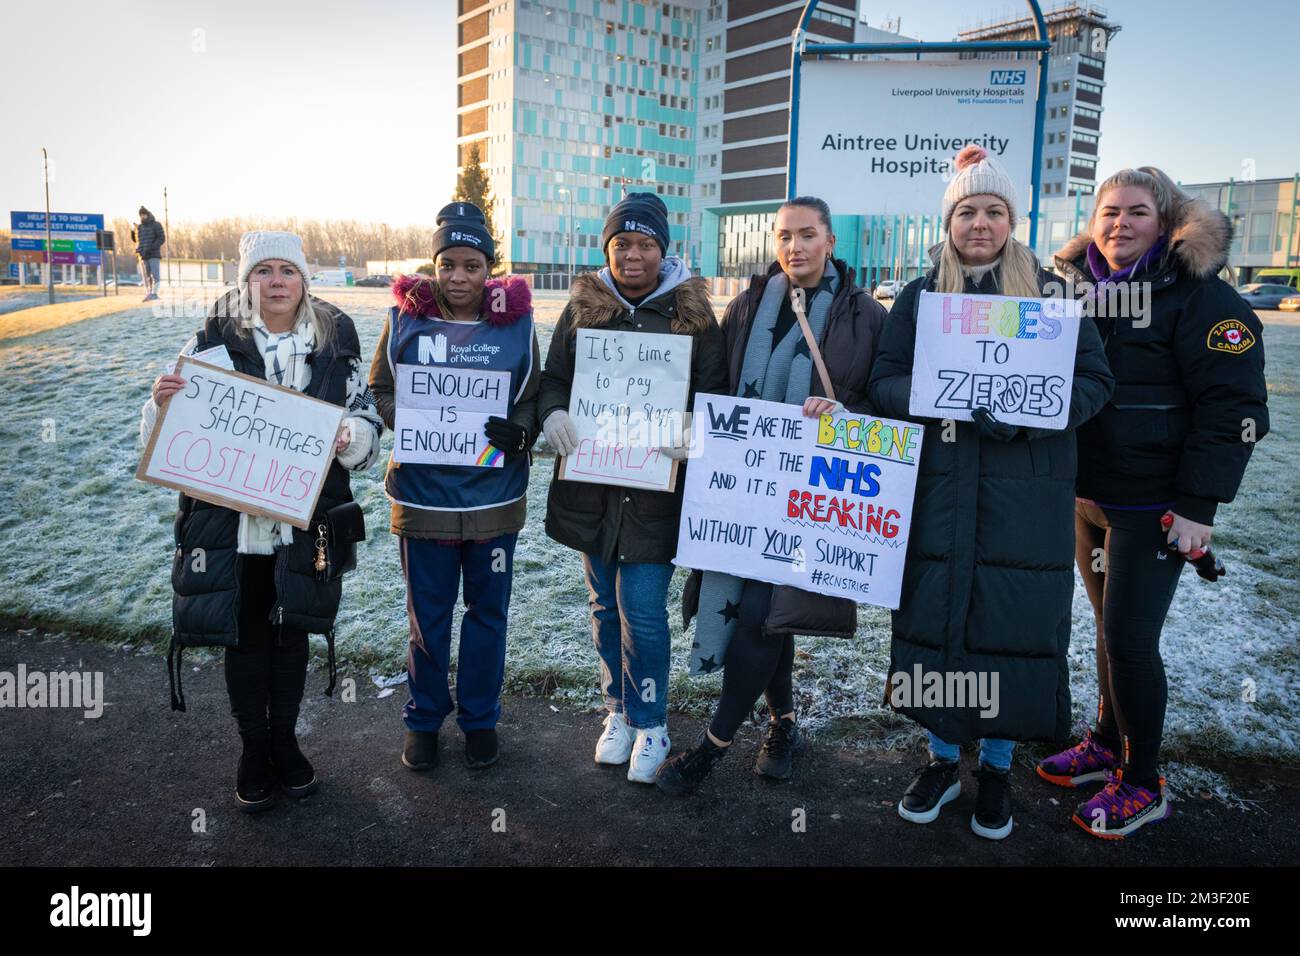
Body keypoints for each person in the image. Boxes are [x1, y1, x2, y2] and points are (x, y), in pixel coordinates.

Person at [867, 146, 1114, 840]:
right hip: (940, 493)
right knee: (940, 621)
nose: (980, 222)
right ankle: (943, 759)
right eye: (968, 210)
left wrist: (1028, 416)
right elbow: (883, 381)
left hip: (1025, 497)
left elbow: (1095, 383)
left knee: (1011, 625)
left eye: (994, 210)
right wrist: (937, 398)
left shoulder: (1055, 293)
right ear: (950, 220)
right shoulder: (921, 296)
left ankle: (998, 768)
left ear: (1012, 219)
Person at [1039, 167, 1269, 839]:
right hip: (1088, 497)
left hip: (1154, 506)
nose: (1119, 223)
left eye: (1136, 212)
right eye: (1108, 212)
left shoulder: (1203, 299)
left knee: (1130, 640)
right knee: (1109, 632)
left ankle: (1143, 782)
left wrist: (1199, 504)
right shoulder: (1075, 289)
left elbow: (1235, 408)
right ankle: (1107, 744)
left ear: (1164, 223)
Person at [141, 230, 383, 812]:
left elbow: (367, 417)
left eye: (288, 270)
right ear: (246, 280)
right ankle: (254, 748)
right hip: (234, 525)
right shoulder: (210, 341)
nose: (276, 281)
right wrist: (160, 403)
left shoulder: (336, 343)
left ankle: (286, 742)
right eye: (263, 270)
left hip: (305, 520)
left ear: (304, 279)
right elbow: (161, 435)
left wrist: (352, 435)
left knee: (291, 630)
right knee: (245, 635)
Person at [655, 196, 889, 796]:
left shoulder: (864, 315)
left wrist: (845, 413)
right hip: (744, 490)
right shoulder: (748, 305)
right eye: (785, 236)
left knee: (761, 617)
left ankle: (711, 749)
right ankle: (784, 723)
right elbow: (716, 383)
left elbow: (887, 401)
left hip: (811, 499)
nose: (795, 247)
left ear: (831, 241)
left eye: (808, 235)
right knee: (761, 617)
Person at [539, 191, 727, 784]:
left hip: (655, 494)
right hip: (593, 489)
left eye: (645, 244)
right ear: (608, 248)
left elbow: (716, 394)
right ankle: (616, 710)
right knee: (601, 606)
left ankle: (652, 721)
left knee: (641, 610)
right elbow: (554, 380)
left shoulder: (693, 316)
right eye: (622, 244)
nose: (633, 255)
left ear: (663, 250)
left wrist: (697, 428)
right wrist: (553, 415)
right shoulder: (582, 309)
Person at [369, 202, 539, 772]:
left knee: (489, 614)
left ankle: (480, 719)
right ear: (433, 263)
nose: (459, 278)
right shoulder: (403, 318)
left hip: (493, 500)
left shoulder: (517, 323)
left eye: (472, 265)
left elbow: (534, 396)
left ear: (489, 267)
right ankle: (423, 719)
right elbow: (381, 389)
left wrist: (521, 434)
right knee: (429, 616)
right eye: (448, 265)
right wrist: (413, 422)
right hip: (424, 499)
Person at [133, 206, 165, 301]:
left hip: (154, 254)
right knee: (147, 276)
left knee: (155, 275)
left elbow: (161, 238)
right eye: (141, 215)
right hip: (144, 255)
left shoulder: (156, 225)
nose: (142, 217)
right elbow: (140, 241)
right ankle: (149, 294)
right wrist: (139, 250)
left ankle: (155, 294)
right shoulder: (140, 227)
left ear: (148, 214)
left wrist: (152, 247)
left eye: (144, 215)